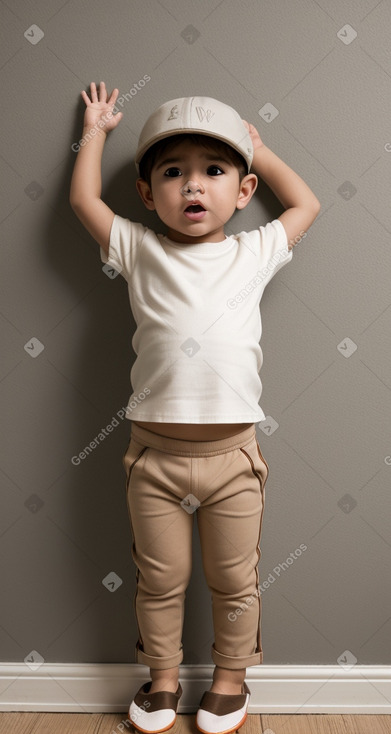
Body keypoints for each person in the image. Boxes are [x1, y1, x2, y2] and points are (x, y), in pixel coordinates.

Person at [70, 82, 320, 734]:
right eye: (173, 173)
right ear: (149, 194)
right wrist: (95, 129)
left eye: (213, 171)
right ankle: (162, 680)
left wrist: (258, 153)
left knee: (234, 581)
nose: (192, 187)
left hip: (231, 459)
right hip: (153, 458)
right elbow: (82, 200)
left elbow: (305, 203)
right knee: (159, 581)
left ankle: (230, 682)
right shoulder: (139, 249)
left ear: (240, 193)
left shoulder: (252, 252)